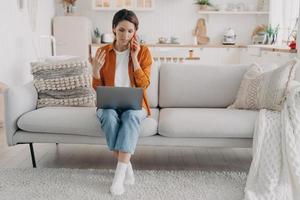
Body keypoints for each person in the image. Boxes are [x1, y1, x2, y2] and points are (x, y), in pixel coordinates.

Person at [89, 9, 152, 196]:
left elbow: (144, 85)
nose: (125, 35)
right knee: (108, 115)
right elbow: (97, 89)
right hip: (108, 106)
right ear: (113, 29)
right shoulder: (102, 52)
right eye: (122, 30)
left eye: (130, 31)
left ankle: (118, 178)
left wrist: (134, 58)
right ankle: (127, 166)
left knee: (132, 115)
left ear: (135, 33)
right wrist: (95, 71)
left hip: (135, 106)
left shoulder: (144, 52)